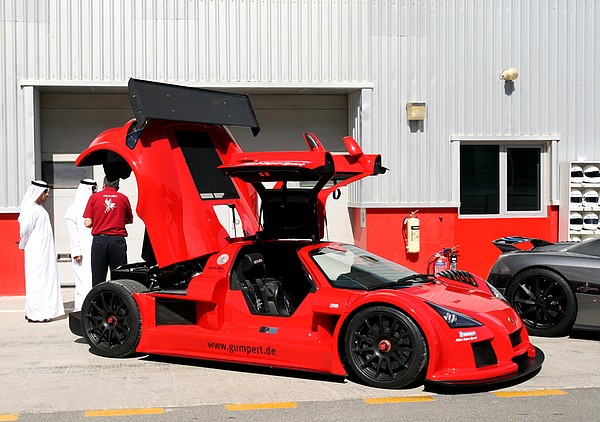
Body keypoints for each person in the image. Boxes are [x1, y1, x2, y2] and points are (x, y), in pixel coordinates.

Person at [18, 180, 65, 322]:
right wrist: (23, 243)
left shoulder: (38, 208)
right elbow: (25, 230)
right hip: (36, 252)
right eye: (45, 192)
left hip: (44, 251)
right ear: (37, 192)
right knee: (38, 281)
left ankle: (39, 311)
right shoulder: (30, 208)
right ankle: (37, 314)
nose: (47, 195)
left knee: (43, 280)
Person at [83, 177, 133, 286]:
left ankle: (99, 301)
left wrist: (99, 220)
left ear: (103, 184)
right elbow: (130, 219)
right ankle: (118, 302)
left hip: (99, 241)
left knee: (98, 277)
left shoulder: (94, 197)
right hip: (117, 241)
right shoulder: (123, 198)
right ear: (117, 186)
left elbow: (87, 223)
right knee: (120, 279)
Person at [64, 179, 97, 311]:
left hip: (94, 249)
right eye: (93, 189)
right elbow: (73, 234)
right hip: (82, 253)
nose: (96, 191)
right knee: (83, 280)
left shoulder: (94, 206)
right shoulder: (73, 209)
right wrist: (77, 252)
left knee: (92, 280)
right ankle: (82, 308)